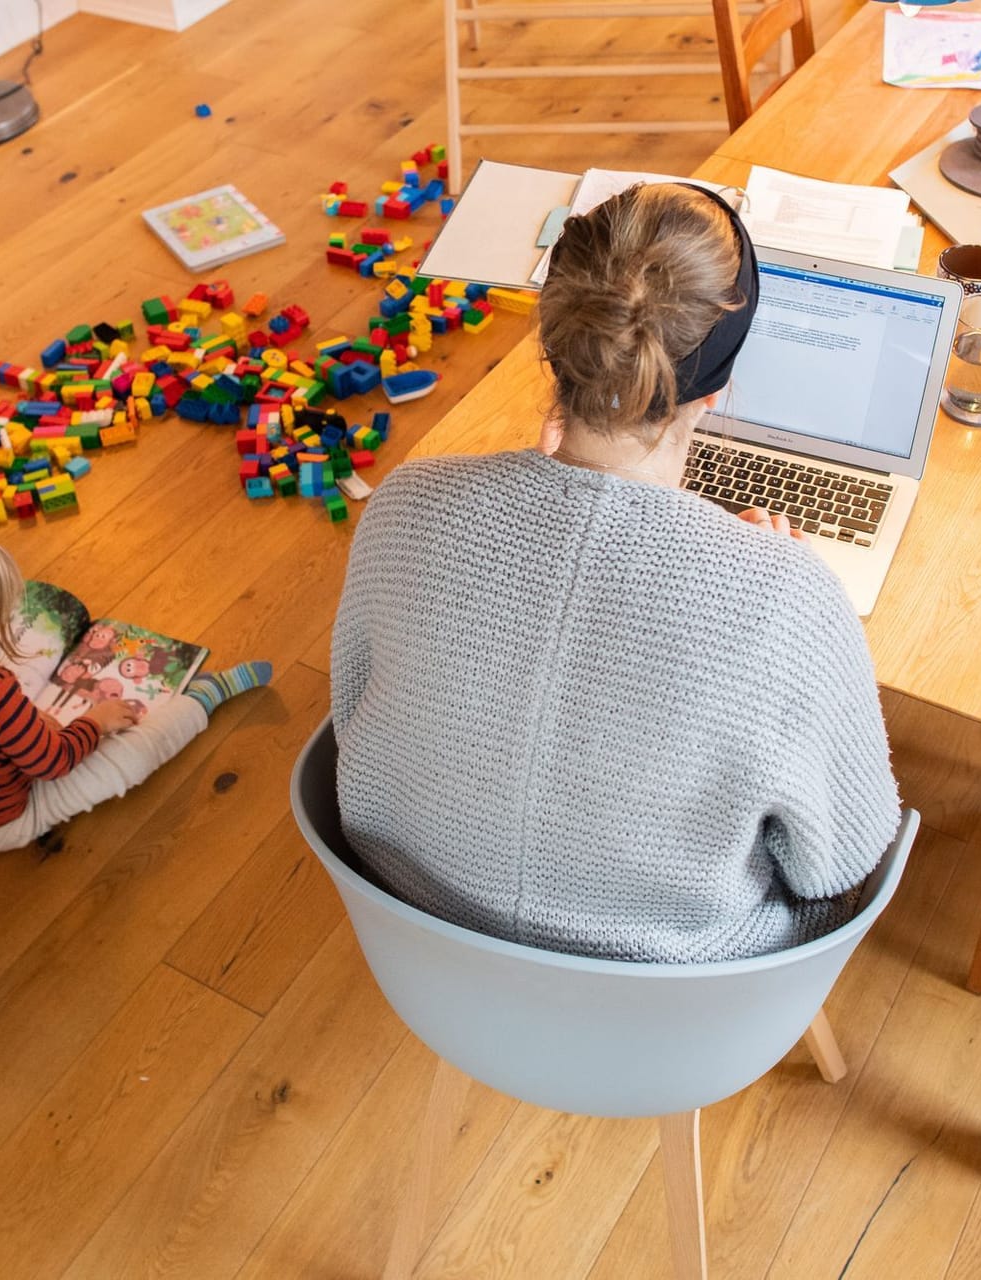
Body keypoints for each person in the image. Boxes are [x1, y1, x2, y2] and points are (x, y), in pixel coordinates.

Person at [332, 182, 899, 962]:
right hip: (678, 1005)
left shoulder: (404, 506)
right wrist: (772, 585)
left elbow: (352, 709)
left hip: (418, 940)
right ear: (719, 386)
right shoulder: (789, 601)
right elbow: (841, 862)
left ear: (553, 342)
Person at [0, 528, 270, 857]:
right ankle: (204, 697)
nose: (5, 619)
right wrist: (94, 723)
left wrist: (30, 723)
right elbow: (53, 762)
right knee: (130, 758)